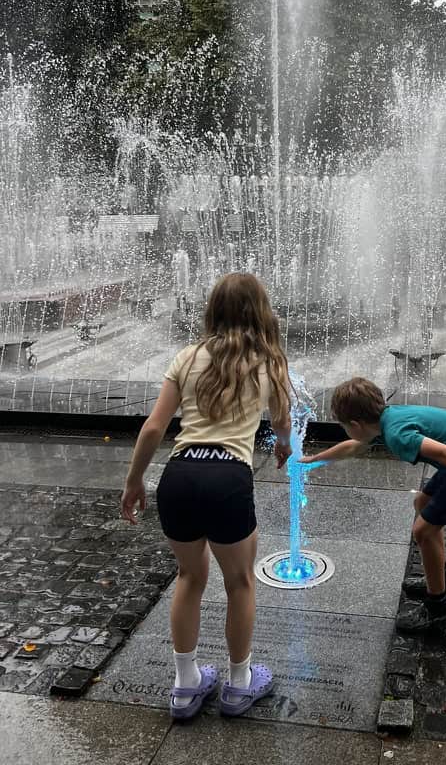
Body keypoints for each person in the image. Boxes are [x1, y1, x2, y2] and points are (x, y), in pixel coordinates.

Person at [120, 273, 293, 720]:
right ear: (261, 311)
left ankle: (185, 685)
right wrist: (283, 446)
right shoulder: (268, 361)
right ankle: (238, 685)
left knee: (188, 578)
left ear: (212, 309)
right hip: (227, 478)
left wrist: (134, 481)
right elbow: (283, 421)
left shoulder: (187, 356)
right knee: (240, 583)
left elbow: (155, 427)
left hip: (178, 476)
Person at [300, 377, 446, 634]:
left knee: (423, 531)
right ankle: (438, 579)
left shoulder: (397, 434)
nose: (347, 431)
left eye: (343, 426)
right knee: (422, 502)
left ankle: (437, 611)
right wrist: (315, 459)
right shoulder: (386, 419)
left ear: (355, 424)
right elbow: (354, 447)